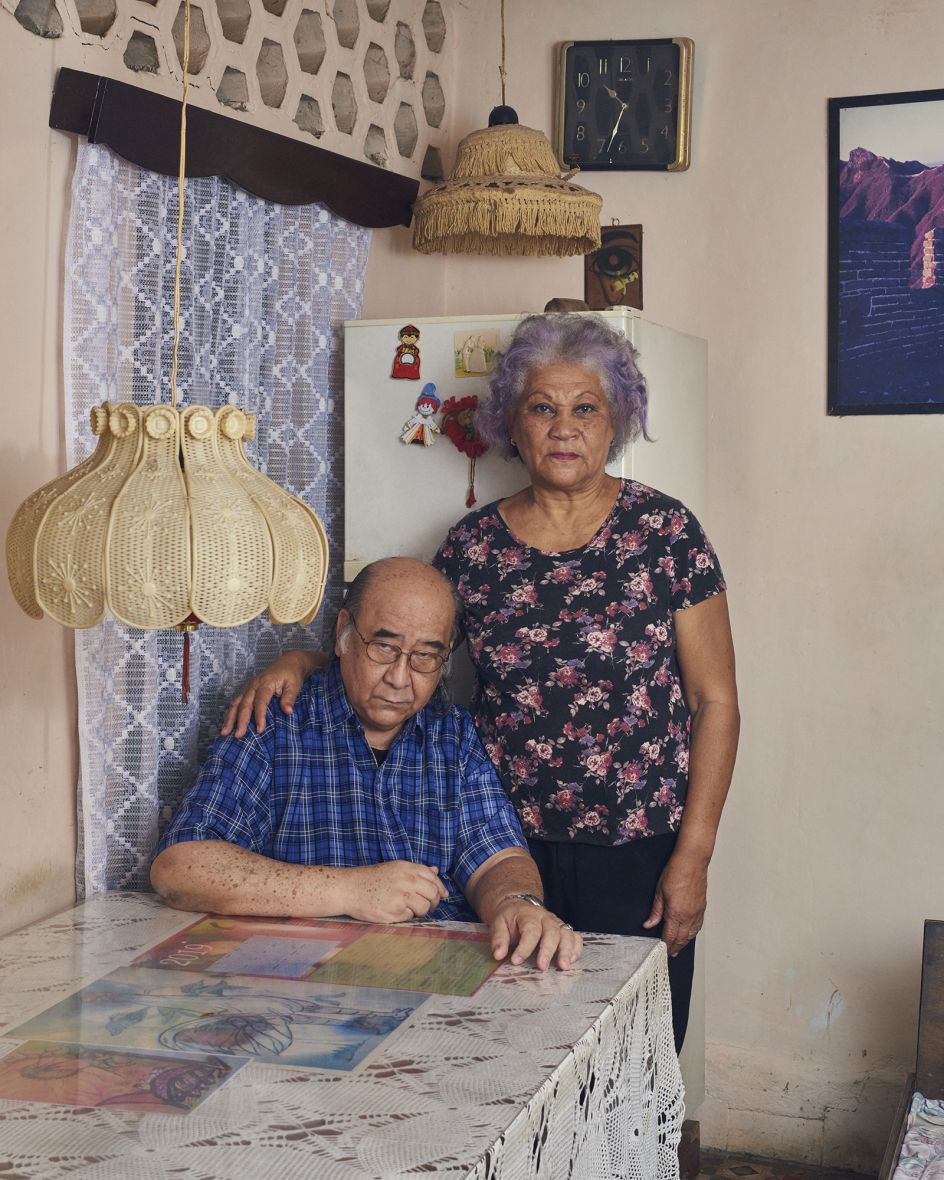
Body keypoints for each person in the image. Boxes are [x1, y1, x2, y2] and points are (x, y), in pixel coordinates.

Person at [223, 314, 739, 1047]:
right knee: (508, 1047)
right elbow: (404, 646)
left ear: (616, 419)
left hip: (638, 851)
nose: (564, 427)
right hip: (499, 848)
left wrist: (694, 854)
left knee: (636, 1045)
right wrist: (302, 661)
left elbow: (714, 700)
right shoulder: (472, 547)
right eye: (542, 407)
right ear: (513, 425)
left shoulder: (665, 533)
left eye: (585, 407)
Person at [152, 557, 582, 973]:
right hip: (304, 984)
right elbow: (181, 870)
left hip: (431, 983)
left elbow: (494, 857)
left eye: (425, 657)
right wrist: (351, 889)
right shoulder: (276, 722)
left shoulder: (451, 733)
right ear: (343, 633)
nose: (400, 677)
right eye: (384, 647)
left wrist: (518, 904)